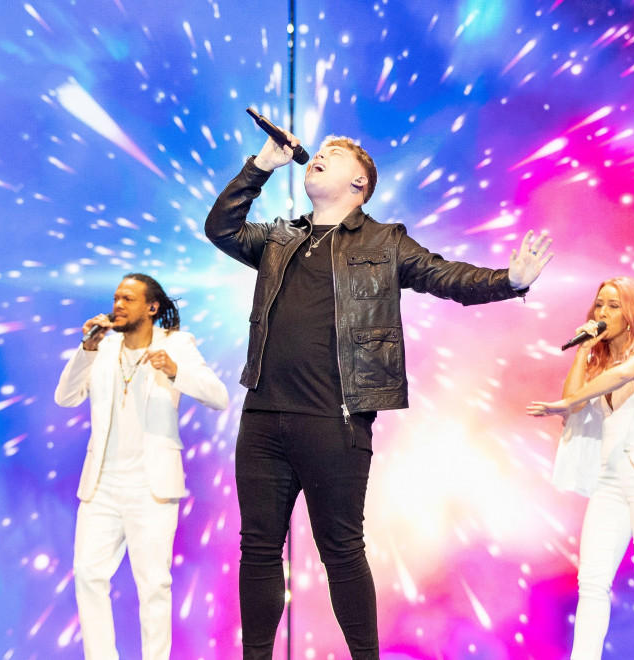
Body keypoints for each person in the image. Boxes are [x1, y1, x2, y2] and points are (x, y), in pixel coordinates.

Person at [204, 131, 554, 659]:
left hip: (335, 419)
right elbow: (221, 228)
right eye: (319, 153)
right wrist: (262, 165)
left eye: (334, 155)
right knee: (257, 549)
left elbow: (445, 276)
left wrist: (510, 280)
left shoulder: (384, 241)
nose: (319, 156)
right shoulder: (279, 239)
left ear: (359, 183)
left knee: (341, 551)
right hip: (263, 418)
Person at [55, 273, 229, 660]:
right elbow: (65, 397)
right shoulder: (101, 346)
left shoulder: (177, 344)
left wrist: (175, 371)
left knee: (153, 586)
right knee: (88, 574)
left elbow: (218, 397)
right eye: (115, 297)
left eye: (128, 299)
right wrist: (85, 349)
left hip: (151, 487)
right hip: (101, 485)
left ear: (152, 307)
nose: (118, 305)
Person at [526, 276, 634, 659]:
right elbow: (574, 400)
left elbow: (624, 374)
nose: (603, 312)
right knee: (592, 582)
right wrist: (584, 350)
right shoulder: (599, 362)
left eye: (614, 305)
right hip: (610, 484)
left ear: (632, 313)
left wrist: (571, 402)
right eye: (600, 304)